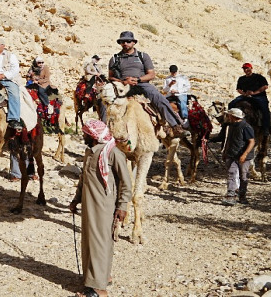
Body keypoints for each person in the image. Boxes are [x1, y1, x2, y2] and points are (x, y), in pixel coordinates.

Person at [69, 119, 132, 297]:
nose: (84, 136)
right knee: (89, 242)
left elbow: (126, 184)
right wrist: (76, 200)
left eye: (86, 134)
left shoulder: (113, 153)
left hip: (104, 205)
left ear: (94, 136)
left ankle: (99, 289)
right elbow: (84, 178)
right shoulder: (90, 151)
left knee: (100, 242)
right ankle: (97, 278)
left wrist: (122, 206)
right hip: (89, 204)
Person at [108, 31, 186, 134]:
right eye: (122, 42)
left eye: (128, 41)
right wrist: (123, 81)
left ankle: (175, 125)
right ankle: (105, 128)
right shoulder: (114, 59)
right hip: (123, 85)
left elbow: (151, 74)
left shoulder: (142, 56)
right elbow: (110, 77)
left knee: (159, 98)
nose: (125, 43)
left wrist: (138, 79)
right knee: (105, 99)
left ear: (133, 42)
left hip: (141, 83)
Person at [210, 105, 256, 206]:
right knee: (231, 173)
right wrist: (209, 140)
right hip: (231, 155)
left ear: (233, 116)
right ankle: (231, 195)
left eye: (229, 115)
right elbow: (223, 138)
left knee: (243, 177)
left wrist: (244, 155)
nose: (227, 117)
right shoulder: (228, 126)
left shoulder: (246, 127)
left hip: (243, 156)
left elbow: (251, 142)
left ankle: (242, 196)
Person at [230, 62, 271, 136]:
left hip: (258, 96)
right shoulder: (241, 79)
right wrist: (244, 94)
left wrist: (254, 93)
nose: (246, 70)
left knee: (264, 109)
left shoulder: (259, 77)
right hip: (246, 96)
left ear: (251, 68)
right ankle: (227, 125)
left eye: (247, 68)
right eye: (244, 68)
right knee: (231, 104)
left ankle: (266, 128)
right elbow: (239, 89)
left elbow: (265, 87)